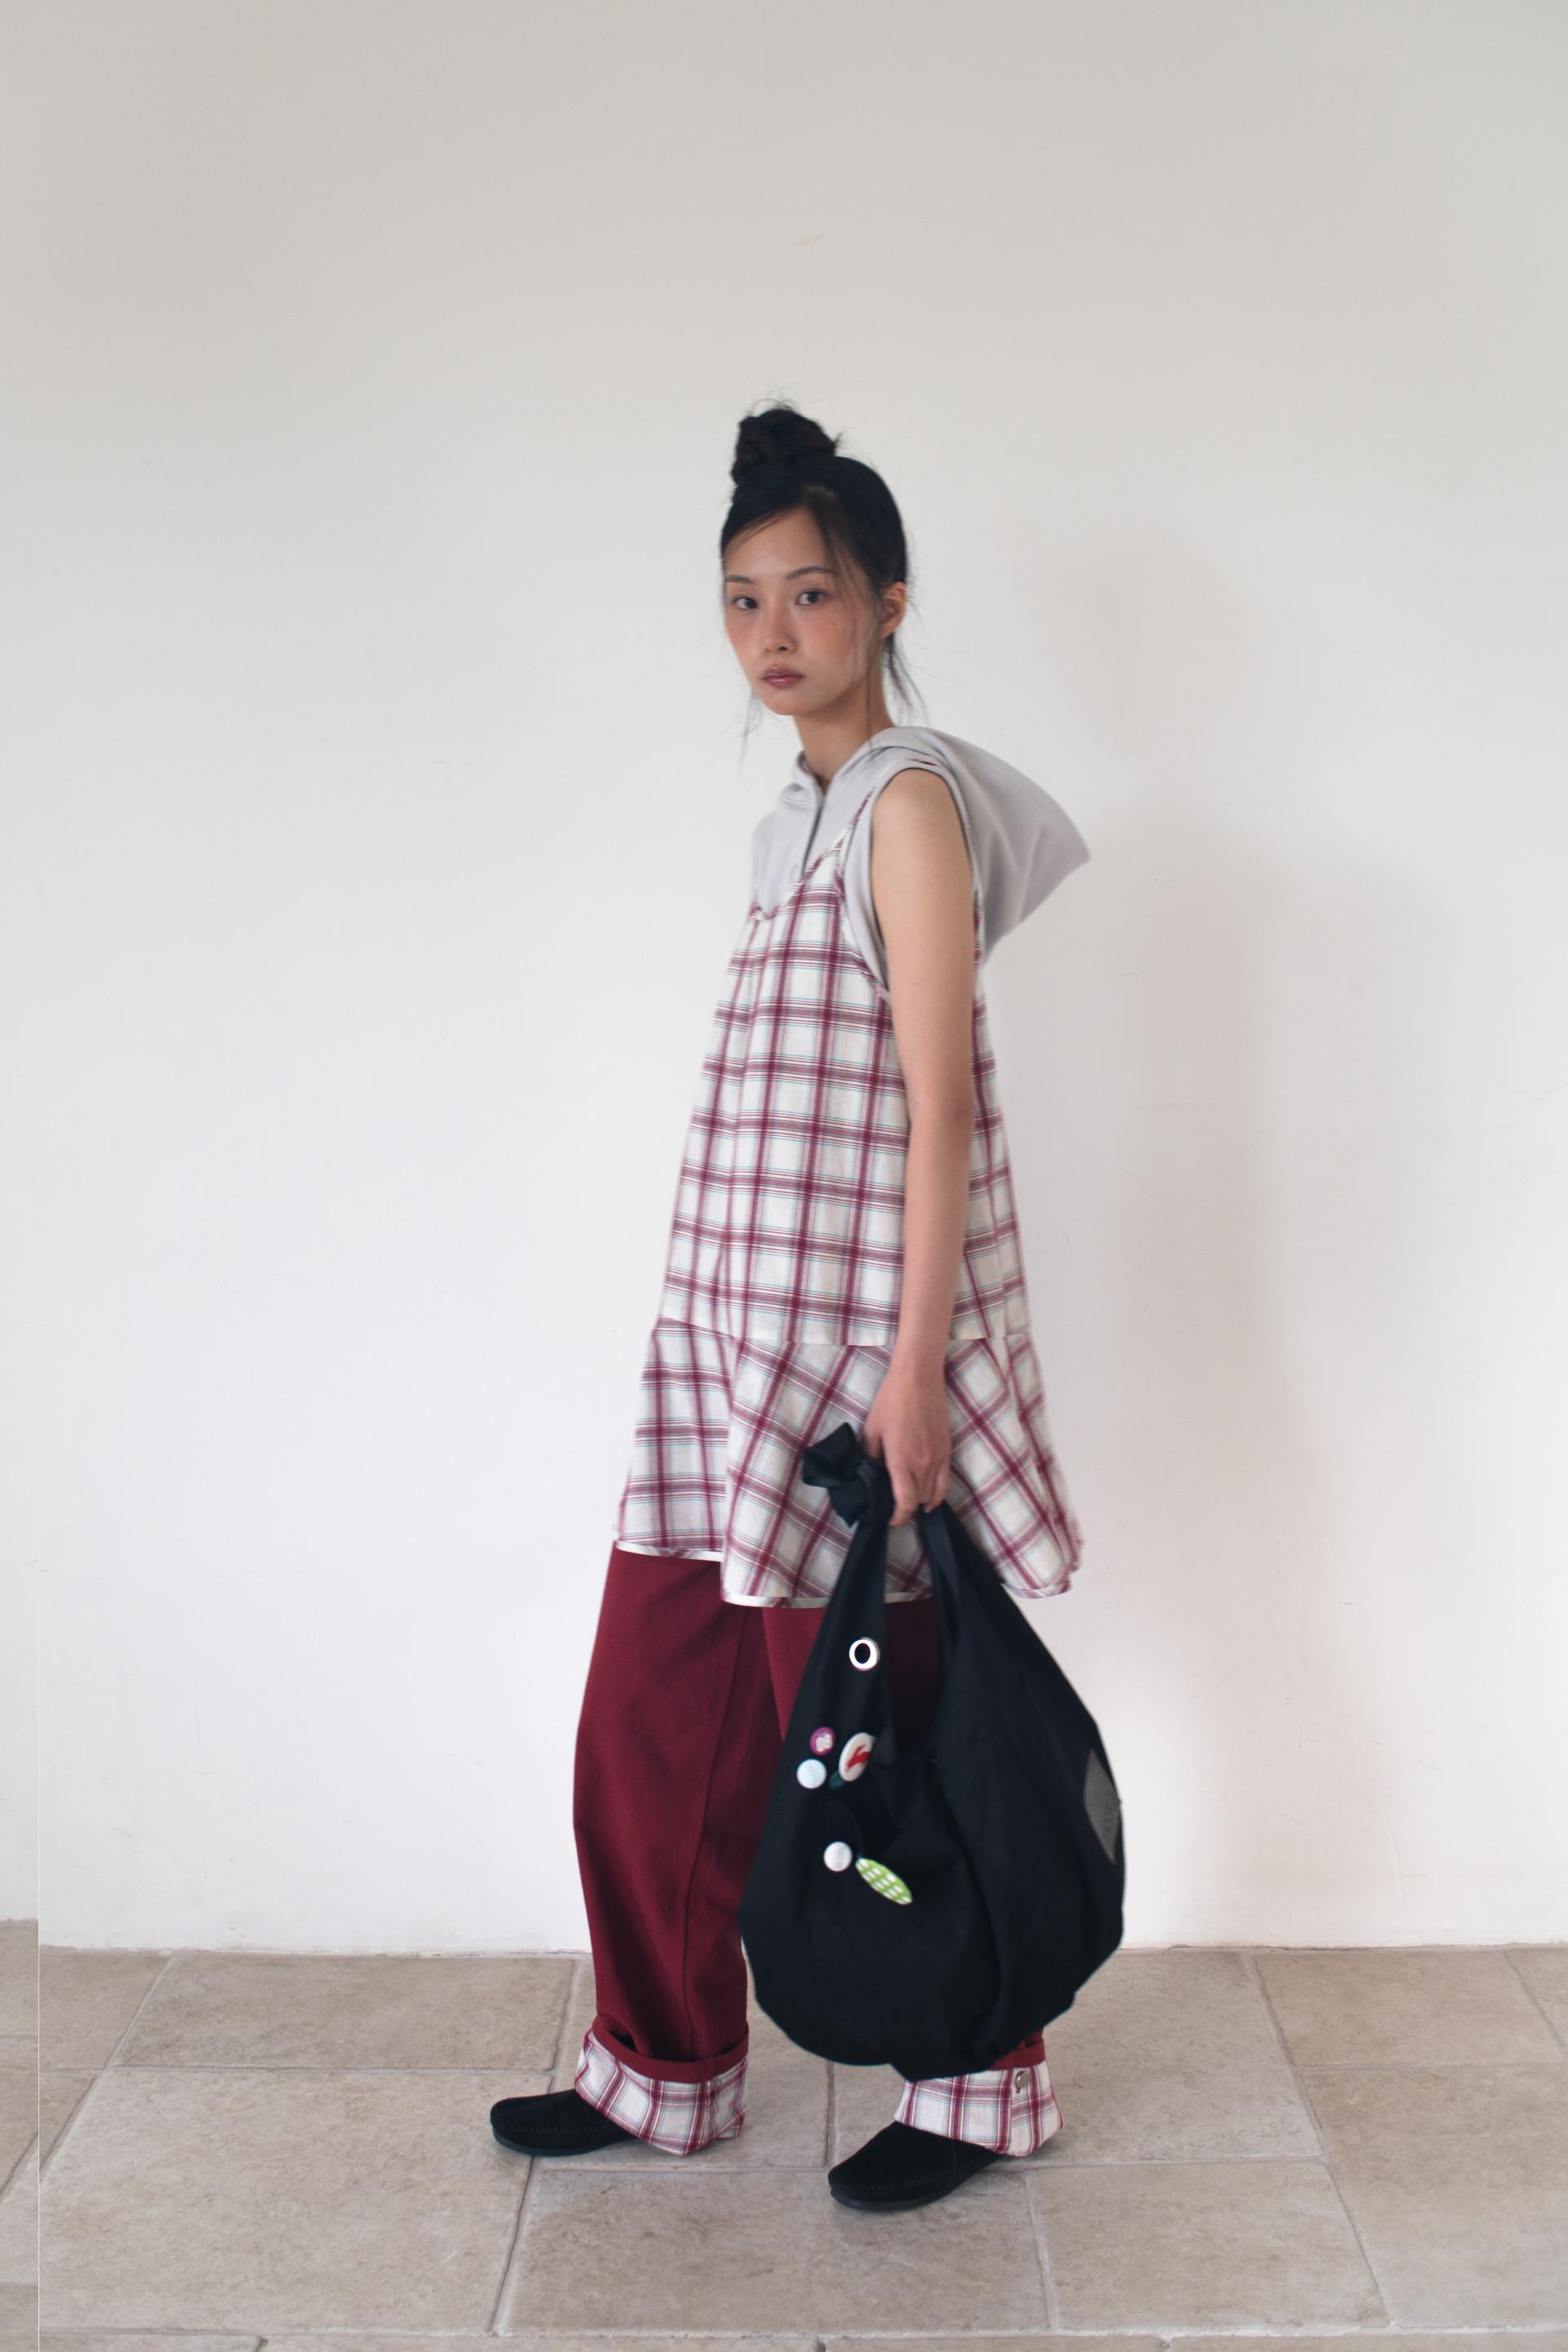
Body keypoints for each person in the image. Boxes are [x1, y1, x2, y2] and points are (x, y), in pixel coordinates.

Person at [491, 402, 1091, 2212]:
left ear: (887, 604)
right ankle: (665, 2066)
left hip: (844, 1372)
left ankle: (981, 2083)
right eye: (744, 600)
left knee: (886, 1745)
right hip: (726, 1355)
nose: (772, 632)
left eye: (811, 594)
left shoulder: (905, 803)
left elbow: (941, 1105)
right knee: (652, 1725)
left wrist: (915, 1375)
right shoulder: (793, 825)